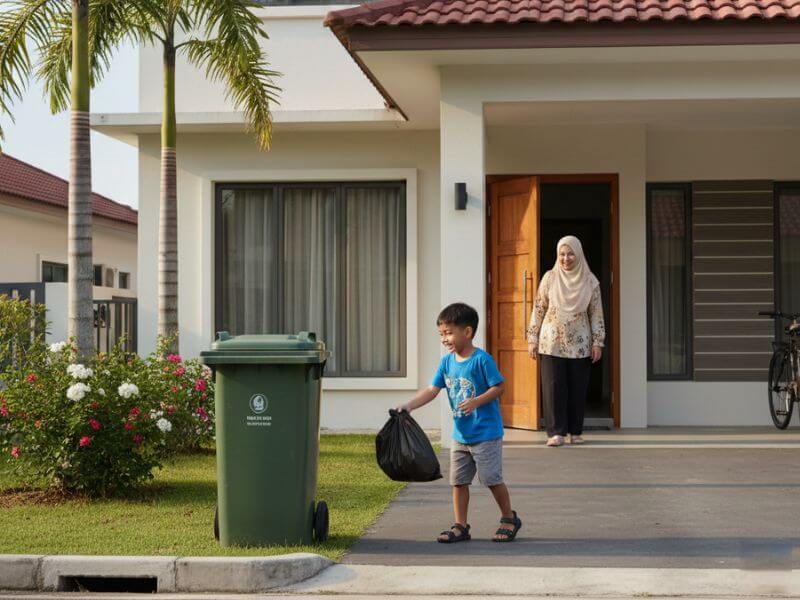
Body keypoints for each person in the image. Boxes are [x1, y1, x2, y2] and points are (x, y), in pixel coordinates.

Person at [398, 302, 522, 543]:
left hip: (486, 434)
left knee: (492, 480)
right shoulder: (447, 363)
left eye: (448, 332)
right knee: (458, 482)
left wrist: (477, 401)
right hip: (461, 435)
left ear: (467, 332)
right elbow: (433, 389)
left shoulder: (481, 360)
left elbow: (499, 387)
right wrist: (409, 406)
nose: (444, 339)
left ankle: (509, 518)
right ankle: (461, 526)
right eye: (441, 334)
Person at [526, 235, 605, 447]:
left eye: (570, 253)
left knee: (577, 388)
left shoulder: (590, 281)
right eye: (562, 254)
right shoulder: (550, 278)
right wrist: (532, 337)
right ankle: (556, 433)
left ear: (578, 254)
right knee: (553, 387)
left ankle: (575, 432)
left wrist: (598, 341)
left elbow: (596, 314)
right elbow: (539, 308)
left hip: (580, 343)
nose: (566, 258)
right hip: (551, 341)